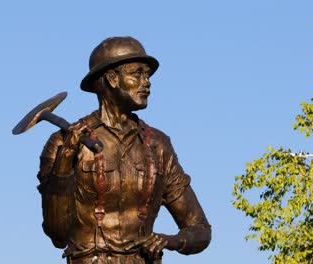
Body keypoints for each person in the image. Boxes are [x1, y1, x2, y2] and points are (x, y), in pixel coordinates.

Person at [36, 36, 211, 264]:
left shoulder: (158, 145)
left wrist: (170, 240)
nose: (146, 82)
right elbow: (57, 233)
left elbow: (199, 228)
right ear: (111, 78)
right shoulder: (62, 143)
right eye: (137, 74)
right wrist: (66, 157)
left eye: (147, 75)